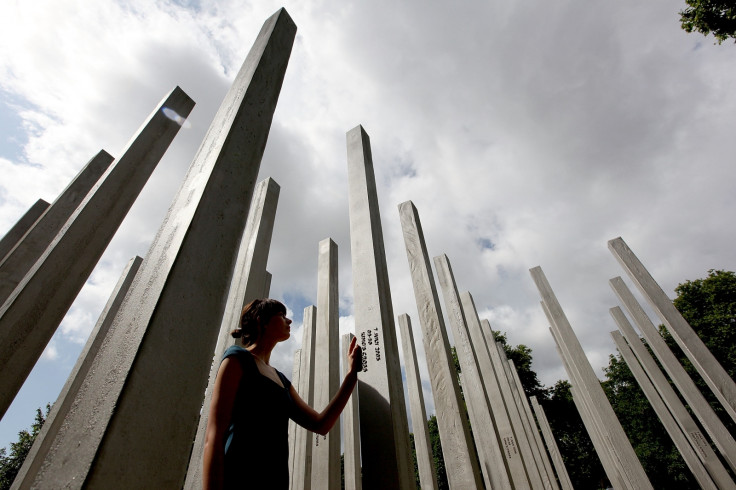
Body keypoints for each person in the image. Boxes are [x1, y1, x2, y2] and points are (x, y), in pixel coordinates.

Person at [203, 298, 362, 489]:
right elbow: (214, 436)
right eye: (281, 315)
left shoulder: (282, 380)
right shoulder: (237, 358)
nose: (289, 321)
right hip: (238, 477)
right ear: (262, 320)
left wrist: (351, 376)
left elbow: (321, 424)